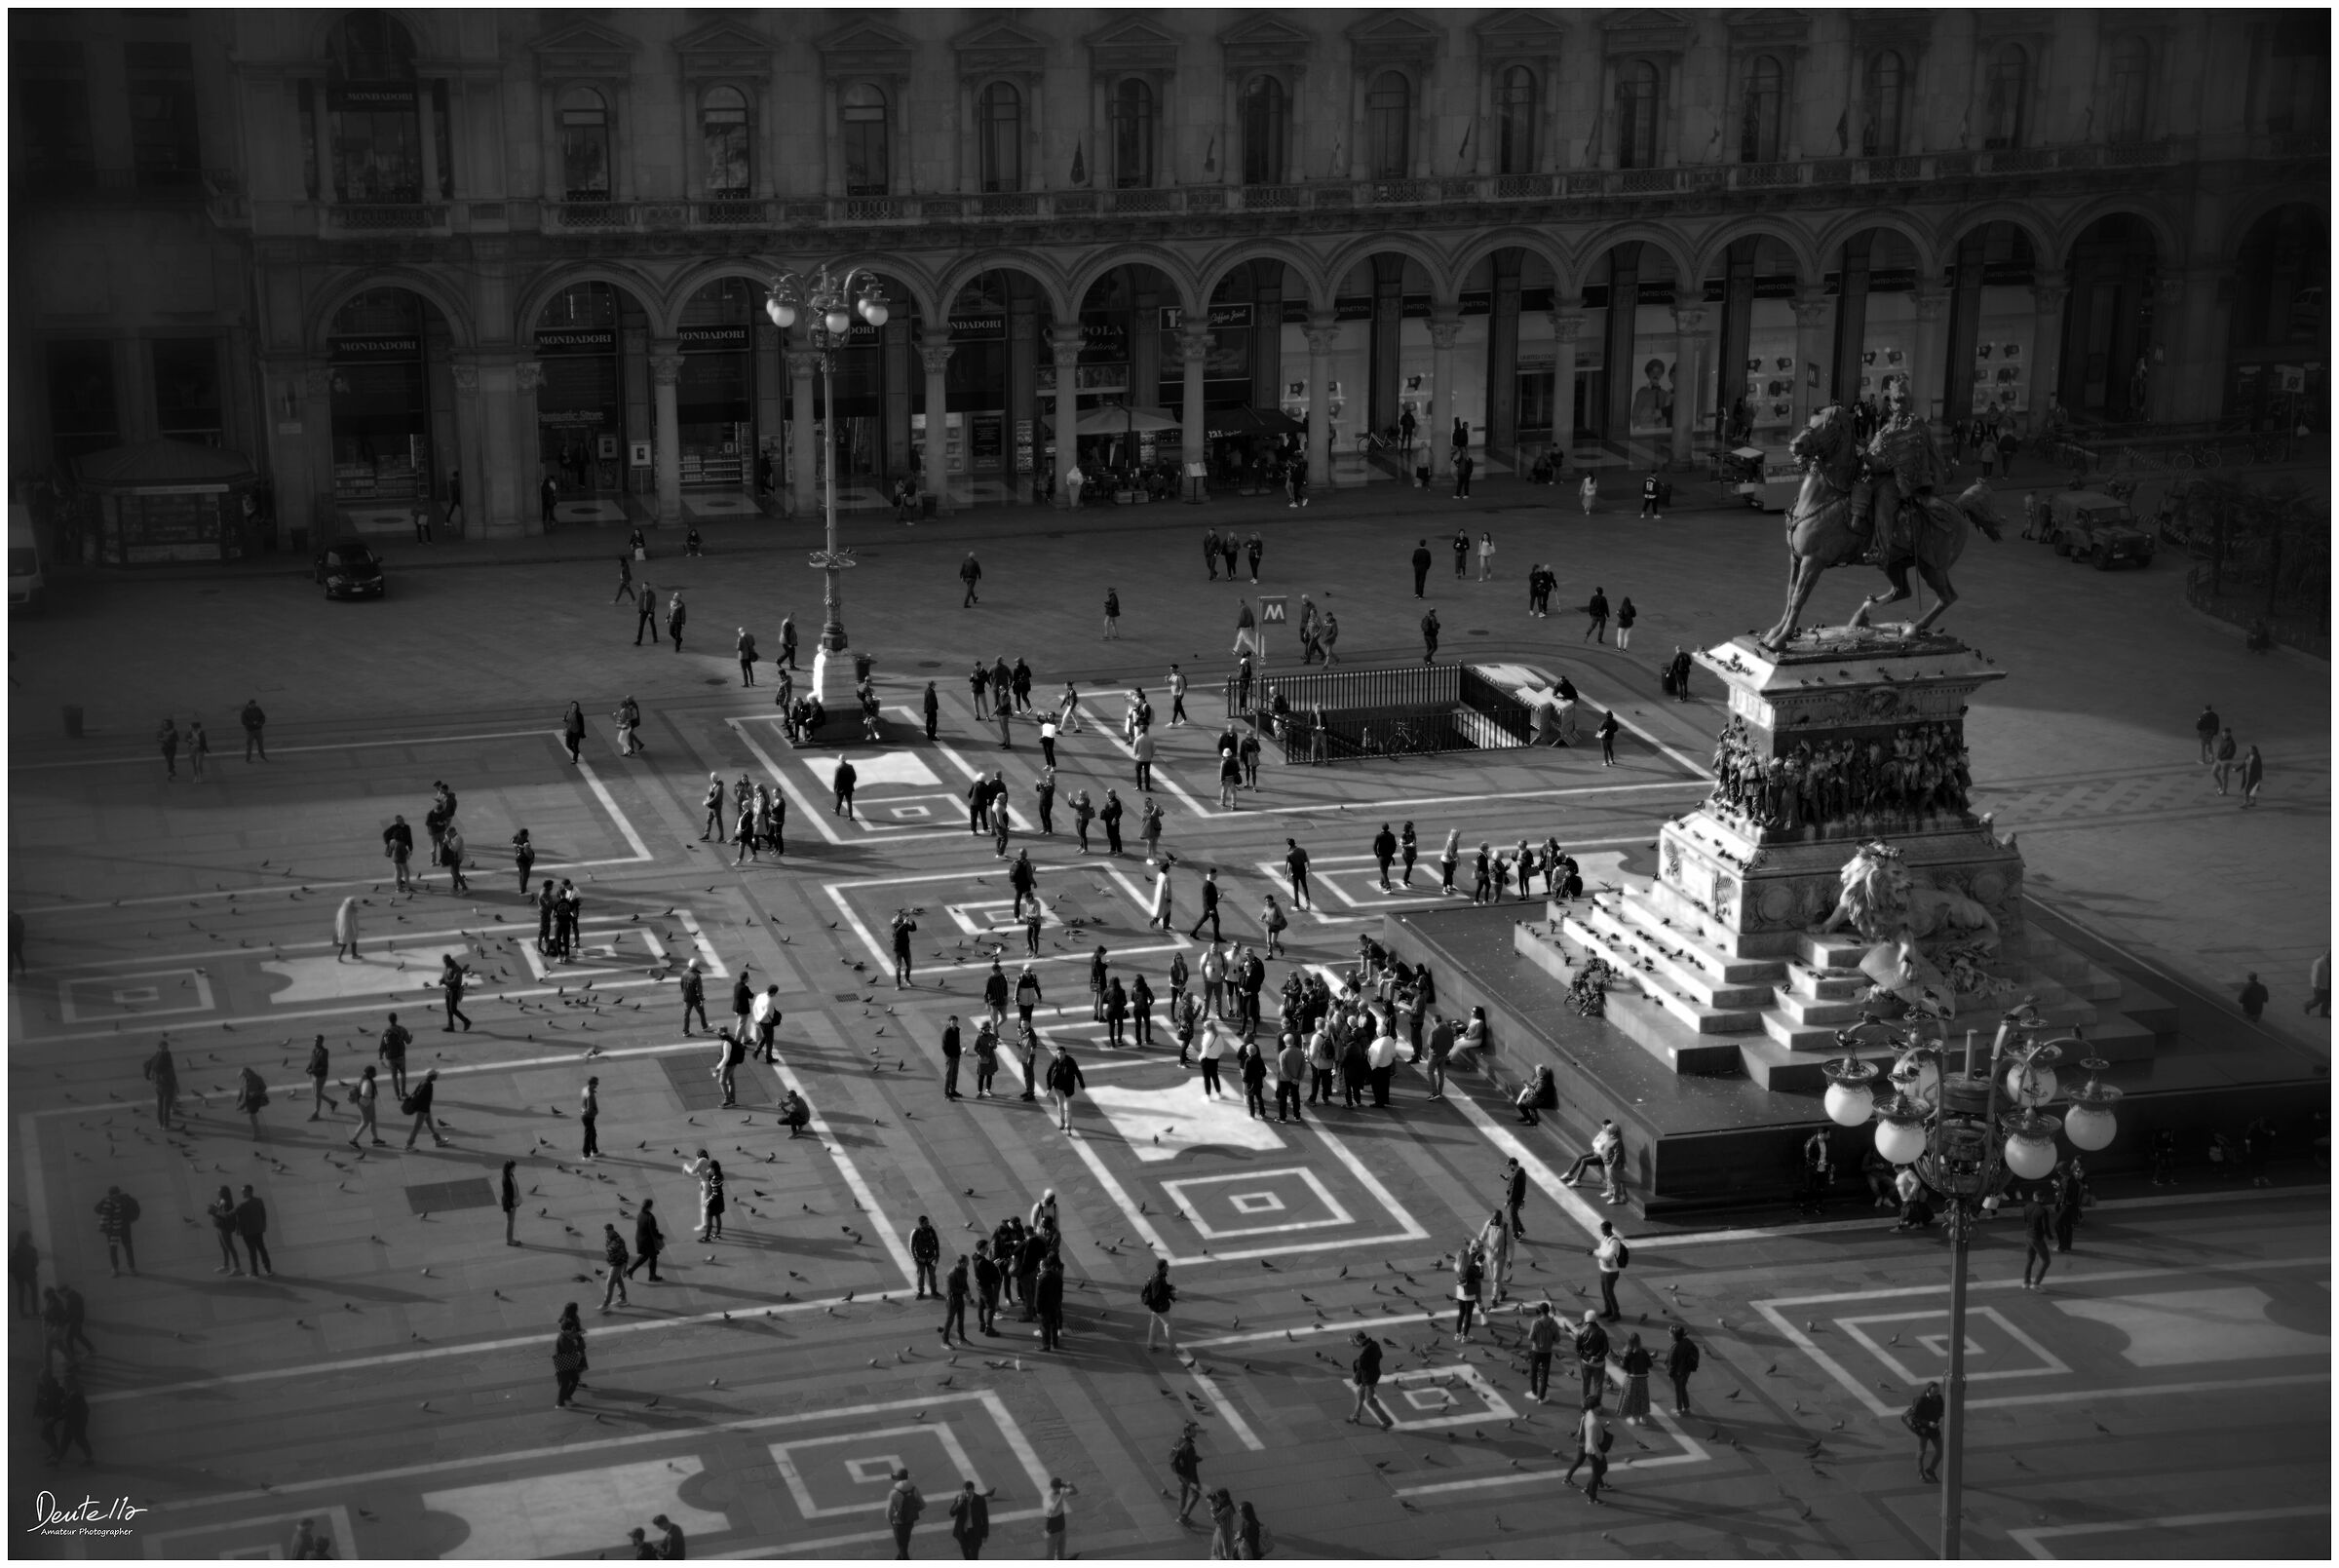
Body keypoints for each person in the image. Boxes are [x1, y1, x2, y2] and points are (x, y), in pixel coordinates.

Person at [1567, 1396, 1610, 1503]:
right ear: (1594, 1407)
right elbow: (1591, 1440)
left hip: (1589, 1448)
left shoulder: (1591, 1417)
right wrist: (1598, 1453)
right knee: (1598, 1471)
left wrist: (1602, 1426)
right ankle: (1591, 1495)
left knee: (1600, 1469)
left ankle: (1590, 1488)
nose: (1601, 1406)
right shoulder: (1590, 1421)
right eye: (1599, 1405)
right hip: (1591, 1449)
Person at [1348, 1330, 1395, 1429]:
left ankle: (1387, 1421)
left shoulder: (1366, 1350)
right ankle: (1356, 1416)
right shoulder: (1375, 1344)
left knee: (1370, 1401)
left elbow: (1362, 1365)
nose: (1356, 1343)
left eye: (1356, 1341)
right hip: (1372, 1374)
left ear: (1359, 1339)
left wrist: (1356, 1363)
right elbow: (1380, 1355)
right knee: (1360, 1395)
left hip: (1369, 1378)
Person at [1905, 1381, 1944, 1481]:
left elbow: (1941, 1410)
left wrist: (1941, 1417)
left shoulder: (1939, 1398)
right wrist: (1928, 1423)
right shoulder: (1920, 1400)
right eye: (1934, 1392)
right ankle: (1921, 1473)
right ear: (1928, 1391)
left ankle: (1931, 1469)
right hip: (1923, 1429)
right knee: (1922, 1451)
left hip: (1934, 1428)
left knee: (1940, 1451)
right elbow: (1914, 1417)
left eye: (1938, 1392)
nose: (1936, 1394)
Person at [552, 1303, 589, 1409]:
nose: (572, 1331)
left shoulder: (565, 1335)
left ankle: (567, 1397)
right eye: (570, 1330)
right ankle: (560, 1403)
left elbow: (572, 1338)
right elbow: (569, 1349)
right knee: (565, 1383)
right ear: (566, 1330)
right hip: (565, 1362)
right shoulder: (563, 1339)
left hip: (568, 1361)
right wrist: (576, 1345)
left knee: (575, 1379)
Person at [1591, 1220, 1627, 1321]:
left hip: (1611, 1271)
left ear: (1609, 1229)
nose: (1602, 1232)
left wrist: (1595, 1253)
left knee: (1609, 1292)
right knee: (1605, 1291)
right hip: (1604, 1269)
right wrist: (1594, 1252)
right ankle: (1608, 1310)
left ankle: (1616, 1313)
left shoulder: (1614, 1242)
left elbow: (1608, 1256)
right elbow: (1602, 1251)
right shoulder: (1605, 1239)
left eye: (1603, 1230)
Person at [947, 1479, 990, 1559]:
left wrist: (985, 1534)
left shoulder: (980, 1500)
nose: (967, 1495)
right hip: (963, 1532)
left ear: (973, 1490)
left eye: (969, 1493)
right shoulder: (960, 1499)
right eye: (966, 1493)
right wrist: (959, 1504)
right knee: (966, 1555)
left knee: (974, 1556)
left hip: (975, 1532)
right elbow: (952, 1513)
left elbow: (985, 1518)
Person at [1041, 1477, 1077, 1559]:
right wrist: (1061, 1495)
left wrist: (1072, 1486)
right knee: (1050, 1554)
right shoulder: (1048, 1498)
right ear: (1054, 1488)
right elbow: (1054, 1509)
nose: (1061, 1488)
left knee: (1061, 1552)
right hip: (1052, 1530)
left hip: (1061, 1526)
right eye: (1059, 1487)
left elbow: (1075, 1492)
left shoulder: (1059, 1492)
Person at [2240, 744, 2264, 808]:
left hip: (2253, 776)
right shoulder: (2247, 756)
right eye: (2249, 749)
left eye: (2251, 749)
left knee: (2247, 789)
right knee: (2251, 789)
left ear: (2254, 750)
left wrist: (2259, 777)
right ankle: (2253, 802)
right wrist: (2237, 769)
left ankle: (2245, 803)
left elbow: (2259, 768)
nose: (2249, 750)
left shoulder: (2257, 758)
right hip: (2247, 774)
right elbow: (2244, 764)